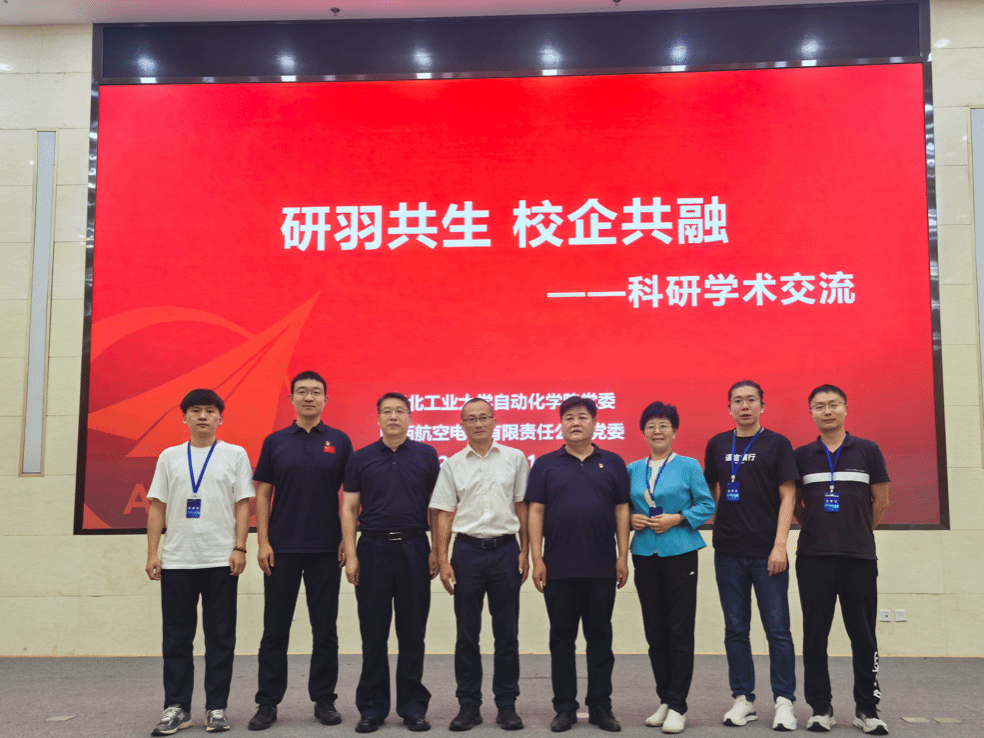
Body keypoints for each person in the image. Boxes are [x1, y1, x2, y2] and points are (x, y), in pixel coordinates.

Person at [248, 371, 353, 731]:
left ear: (326, 399)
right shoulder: (275, 441)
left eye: (316, 392)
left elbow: (351, 496)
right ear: (291, 398)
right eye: (302, 392)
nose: (309, 397)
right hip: (282, 549)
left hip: (326, 548)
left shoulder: (340, 441)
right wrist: (262, 541)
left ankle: (324, 700)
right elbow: (263, 494)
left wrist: (347, 539)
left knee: (325, 629)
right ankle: (267, 702)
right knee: (275, 630)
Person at [146, 389, 254, 735]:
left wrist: (240, 547)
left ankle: (216, 708)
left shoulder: (235, 454)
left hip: (220, 559)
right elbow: (157, 505)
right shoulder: (170, 456)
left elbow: (243, 503)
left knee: (220, 637)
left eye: (210, 411)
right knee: (176, 639)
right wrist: (152, 553)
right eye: (195, 411)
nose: (203, 416)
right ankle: (177, 707)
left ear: (220, 418)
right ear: (184, 417)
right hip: (178, 560)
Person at [526, 395, 631, 733]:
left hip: (602, 567)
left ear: (594, 423)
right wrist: (537, 558)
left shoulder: (613, 462)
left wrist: (622, 556)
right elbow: (535, 511)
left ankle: (601, 707)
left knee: (600, 638)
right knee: (561, 639)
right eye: (569, 417)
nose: (575, 422)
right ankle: (564, 708)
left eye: (582, 417)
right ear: (561, 424)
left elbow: (621, 510)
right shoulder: (545, 464)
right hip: (557, 568)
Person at [793, 385, 890, 735]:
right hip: (813, 558)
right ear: (811, 413)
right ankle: (821, 708)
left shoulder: (868, 450)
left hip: (858, 557)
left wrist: (859, 531)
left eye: (833, 404)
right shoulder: (801, 455)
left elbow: (881, 501)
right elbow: (797, 504)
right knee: (815, 635)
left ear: (846, 408)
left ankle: (867, 708)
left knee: (863, 635)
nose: (827, 411)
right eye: (819, 406)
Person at [342, 392, 441, 734]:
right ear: (378, 418)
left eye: (400, 411)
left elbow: (438, 506)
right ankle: (372, 708)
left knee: (413, 633)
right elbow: (349, 509)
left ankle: (413, 707)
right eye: (387, 411)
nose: (394, 416)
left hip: (415, 547)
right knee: (373, 634)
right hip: (373, 549)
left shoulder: (426, 455)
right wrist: (351, 554)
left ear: (410, 417)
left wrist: (437, 550)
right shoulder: (361, 457)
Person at [703, 380, 799, 731]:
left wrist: (780, 544)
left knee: (778, 630)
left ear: (762, 405)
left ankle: (784, 701)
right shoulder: (717, 443)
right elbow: (711, 487)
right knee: (735, 629)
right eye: (737, 401)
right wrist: (725, 519)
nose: (744, 406)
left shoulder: (777, 443)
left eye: (751, 400)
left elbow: (788, 495)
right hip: (728, 552)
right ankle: (743, 699)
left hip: (767, 553)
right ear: (729, 407)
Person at [430, 398, 530, 732]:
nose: (478, 424)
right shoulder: (453, 465)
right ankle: (469, 706)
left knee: (507, 635)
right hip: (467, 553)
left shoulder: (515, 458)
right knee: (466, 635)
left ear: (494, 420)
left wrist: (526, 551)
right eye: (470, 419)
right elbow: (444, 513)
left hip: (505, 551)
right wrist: (443, 559)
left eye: (483, 417)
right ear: (462, 425)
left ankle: (507, 705)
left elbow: (523, 506)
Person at [627, 402, 715, 735]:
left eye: (664, 425)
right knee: (655, 631)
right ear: (643, 432)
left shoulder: (688, 466)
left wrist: (677, 518)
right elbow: (622, 508)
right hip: (644, 553)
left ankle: (678, 705)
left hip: (680, 553)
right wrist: (632, 519)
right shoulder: (632, 469)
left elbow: (706, 504)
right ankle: (665, 698)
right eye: (651, 426)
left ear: (674, 431)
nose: (657, 431)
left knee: (679, 630)